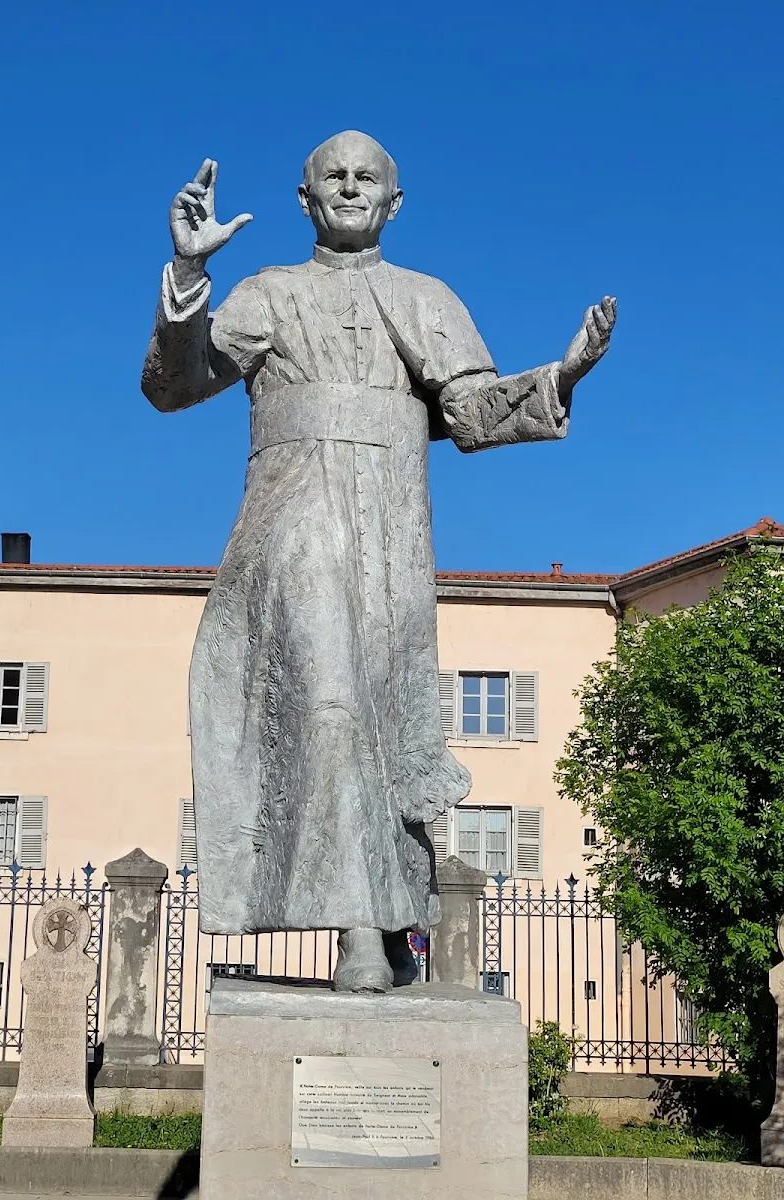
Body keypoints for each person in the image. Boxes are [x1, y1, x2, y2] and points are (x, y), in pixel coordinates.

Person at [142, 130, 615, 992]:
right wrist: (186, 279)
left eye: (369, 178)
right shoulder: (270, 292)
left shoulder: (427, 297)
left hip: (395, 529)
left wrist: (562, 375)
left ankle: (396, 911)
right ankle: (359, 928)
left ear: (394, 203)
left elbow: (470, 415)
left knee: (387, 716)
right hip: (295, 518)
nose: (351, 187)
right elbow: (175, 385)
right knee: (325, 703)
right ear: (306, 199)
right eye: (335, 176)